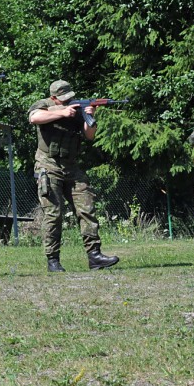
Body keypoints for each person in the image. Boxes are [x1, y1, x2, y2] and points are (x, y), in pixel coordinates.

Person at [28, 80, 120, 272]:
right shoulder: (43, 105)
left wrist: (89, 116)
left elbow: (89, 135)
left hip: (72, 167)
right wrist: (61, 112)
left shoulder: (77, 109)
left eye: (69, 97)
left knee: (87, 208)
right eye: (63, 99)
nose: (68, 101)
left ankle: (95, 256)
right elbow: (34, 118)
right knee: (53, 214)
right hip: (48, 165)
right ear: (53, 97)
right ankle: (53, 260)